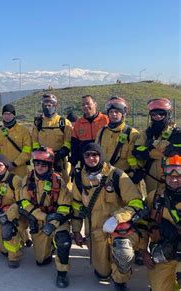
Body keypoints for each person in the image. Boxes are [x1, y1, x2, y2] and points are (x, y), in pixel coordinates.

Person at [71, 143, 145, 291]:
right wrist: (76, 231)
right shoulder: (79, 178)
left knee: (122, 253)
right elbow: (77, 206)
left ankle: (120, 281)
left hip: (118, 229)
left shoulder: (117, 175)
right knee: (102, 273)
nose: (92, 158)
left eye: (95, 155)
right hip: (95, 230)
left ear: (101, 156)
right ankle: (107, 270)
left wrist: (118, 218)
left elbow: (136, 202)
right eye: (88, 155)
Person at [14, 147, 72, 287]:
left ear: (50, 165)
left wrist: (53, 223)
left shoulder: (58, 181)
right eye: (37, 163)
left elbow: (65, 207)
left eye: (44, 164)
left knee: (63, 240)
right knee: (41, 261)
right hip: (38, 218)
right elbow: (25, 202)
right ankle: (41, 246)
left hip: (56, 218)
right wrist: (41, 217)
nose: (40, 167)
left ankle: (62, 273)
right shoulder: (27, 179)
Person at [139, 153, 181, 291]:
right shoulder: (155, 197)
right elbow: (144, 226)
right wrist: (143, 251)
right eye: (171, 176)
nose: (175, 180)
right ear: (164, 175)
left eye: (179, 176)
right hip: (164, 253)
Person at [96, 97, 144, 197]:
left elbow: (134, 159)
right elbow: (96, 153)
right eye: (111, 111)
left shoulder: (132, 134)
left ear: (123, 113)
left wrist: (134, 173)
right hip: (103, 178)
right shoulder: (101, 132)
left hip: (124, 179)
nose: (114, 114)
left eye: (117, 111)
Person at [0, 154, 26, 269]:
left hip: (15, 215)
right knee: (3, 250)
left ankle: (14, 257)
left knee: (8, 229)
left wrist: (7, 216)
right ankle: (21, 238)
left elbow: (20, 203)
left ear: (6, 166)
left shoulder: (15, 180)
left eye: (0, 165)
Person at [133, 98, 177, 193]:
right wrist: (152, 151)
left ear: (168, 114)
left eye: (161, 113)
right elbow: (137, 150)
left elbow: (172, 152)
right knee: (151, 203)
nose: (157, 116)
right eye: (153, 114)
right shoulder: (146, 133)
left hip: (173, 179)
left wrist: (149, 149)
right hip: (150, 179)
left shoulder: (176, 134)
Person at [31, 94, 73, 183]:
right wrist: (38, 153)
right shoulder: (38, 123)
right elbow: (34, 141)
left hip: (59, 160)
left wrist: (61, 153)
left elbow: (68, 141)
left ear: (55, 105)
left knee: (63, 183)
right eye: (45, 105)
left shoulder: (63, 122)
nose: (47, 107)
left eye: (50, 105)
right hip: (43, 160)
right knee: (41, 182)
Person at [0, 104, 32, 180]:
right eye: (5, 114)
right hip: (3, 170)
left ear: (14, 115)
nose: (7, 116)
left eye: (9, 114)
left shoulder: (23, 130)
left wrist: (14, 164)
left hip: (20, 170)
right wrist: (1, 164)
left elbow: (27, 151)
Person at [70, 95, 109, 170]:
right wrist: (73, 165)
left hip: (104, 163)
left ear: (95, 104)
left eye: (88, 103)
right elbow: (74, 146)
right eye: (83, 104)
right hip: (85, 163)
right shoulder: (78, 123)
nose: (85, 106)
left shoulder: (106, 120)